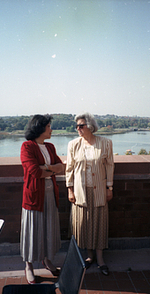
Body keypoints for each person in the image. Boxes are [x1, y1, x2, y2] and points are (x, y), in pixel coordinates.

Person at [65, 112, 114, 276]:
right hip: (80, 192)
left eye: (81, 125)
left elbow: (109, 166)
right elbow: (69, 168)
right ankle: (89, 255)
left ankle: (100, 259)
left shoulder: (105, 143)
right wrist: (70, 189)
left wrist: (109, 187)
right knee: (84, 224)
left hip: (99, 191)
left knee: (99, 223)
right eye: (77, 126)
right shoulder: (73, 145)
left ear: (90, 127)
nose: (77, 128)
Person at [20, 114, 64, 284]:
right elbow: (35, 172)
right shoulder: (27, 147)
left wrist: (47, 168)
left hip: (50, 194)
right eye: (48, 127)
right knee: (33, 230)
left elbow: (61, 167)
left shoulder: (50, 147)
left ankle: (47, 261)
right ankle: (29, 266)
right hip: (34, 197)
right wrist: (52, 169)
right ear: (40, 128)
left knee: (48, 228)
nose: (51, 130)